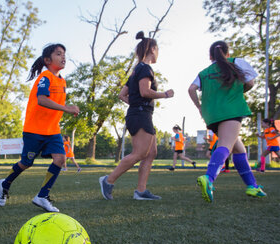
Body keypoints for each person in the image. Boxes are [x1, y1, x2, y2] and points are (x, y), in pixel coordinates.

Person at [0, 43, 79, 212]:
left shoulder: (62, 81)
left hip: (53, 130)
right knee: (26, 163)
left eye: (64, 54)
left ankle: (42, 196)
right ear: (48, 60)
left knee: (60, 159)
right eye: (58, 54)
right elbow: (42, 99)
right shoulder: (45, 77)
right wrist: (66, 108)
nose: (63, 57)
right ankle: (5, 184)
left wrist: (66, 109)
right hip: (34, 130)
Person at [99, 31, 174, 201]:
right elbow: (145, 91)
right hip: (140, 115)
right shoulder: (145, 68)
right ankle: (108, 180)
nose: (158, 53)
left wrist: (135, 105)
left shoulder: (135, 71)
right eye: (158, 49)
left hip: (139, 113)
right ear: (153, 49)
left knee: (151, 153)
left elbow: (122, 95)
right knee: (140, 153)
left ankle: (141, 191)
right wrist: (165, 94)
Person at [188, 40, 266, 202]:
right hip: (231, 110)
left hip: (211, 114)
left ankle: (252, 186)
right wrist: (238, 90)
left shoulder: (204, 72)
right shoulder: (236, 62)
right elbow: (250, 83)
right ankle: (209, 178)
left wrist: (199, 107)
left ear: (210, 56)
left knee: (239, 149)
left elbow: (191, 89)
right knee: (225, 145)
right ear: (227, 53)